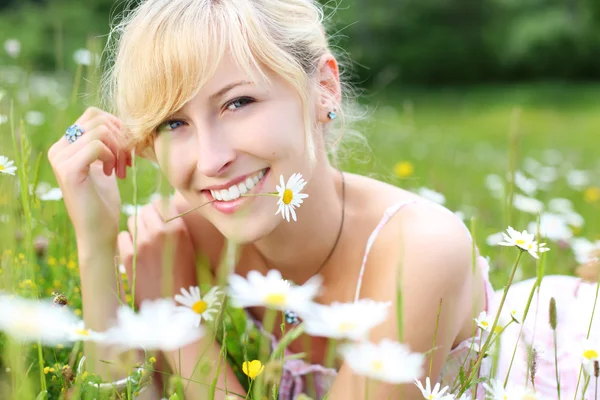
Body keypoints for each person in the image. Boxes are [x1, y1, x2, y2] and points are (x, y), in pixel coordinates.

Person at [47, 0, 598, 399]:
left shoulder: (422, 249)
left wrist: (176, 321)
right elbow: (115, 392)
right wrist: (96, 244)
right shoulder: (181, 232)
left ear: (323, 89)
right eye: (174, 122)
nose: (211, 159)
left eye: (238, 102)